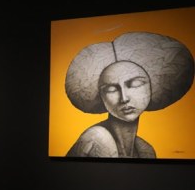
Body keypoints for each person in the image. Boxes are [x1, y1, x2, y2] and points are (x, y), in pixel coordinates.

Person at [65, 31, 193, 158]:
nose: (124, 98)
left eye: (135, 84)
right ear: (101, 96)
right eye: (111, 89)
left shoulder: (145, 151)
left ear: (151, 87)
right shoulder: (97, 137)